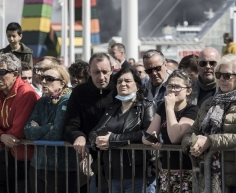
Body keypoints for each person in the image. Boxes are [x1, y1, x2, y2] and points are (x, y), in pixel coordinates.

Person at [182, 55, 236, 192]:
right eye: (218, 74)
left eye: (227, 75)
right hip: (206, 176)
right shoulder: (209, 103)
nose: (221, 79)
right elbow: (192, 131)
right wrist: (191, 143)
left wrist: (210, 141)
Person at [89, 65, 154, 193]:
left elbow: (148, 133)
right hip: (112, 174)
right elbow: (94, 131)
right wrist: (97, 140)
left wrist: (113, 139)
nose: (122, 84)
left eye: (127, 81)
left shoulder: (146, 106)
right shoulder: (111, 108)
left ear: (137, 85)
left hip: (137, 174)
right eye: (119, 81)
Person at [0, 53, 39, 193]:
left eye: (1, 72)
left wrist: (0, 135)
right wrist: (1, 137)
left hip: (27, 157)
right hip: (9, 152)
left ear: (15, 74)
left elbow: (18, 131)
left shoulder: (26, 93)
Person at [64, 53, 116, 193]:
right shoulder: (79, 92)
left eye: (105, 72)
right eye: (96, 72)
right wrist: (77, 135)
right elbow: (70, 122)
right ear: (88, 71)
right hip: (96, 164)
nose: (101, 77)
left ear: (111, 69)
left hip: (121, 161)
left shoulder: (120, 88)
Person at [24, 64, 78, 192]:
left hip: (61, 167)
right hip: (38, 165)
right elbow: (27, 132)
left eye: (49, 78)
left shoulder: (67, 100)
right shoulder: (42, 101)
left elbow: (57, 134)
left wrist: (40, 129)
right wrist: (48, 127)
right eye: (42, 77)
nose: (43, 81)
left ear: (62, 83)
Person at [143, 70, 199, 193]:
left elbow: (175, 137)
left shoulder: (193, 110)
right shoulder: (162, 107)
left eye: (177, 87)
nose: (173, 90)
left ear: (188, 91)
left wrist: (169, 107)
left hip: (188, 170)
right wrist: (153, 140)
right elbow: (146, 136)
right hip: (167, 169)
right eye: (169, 86)